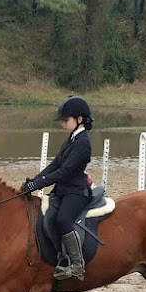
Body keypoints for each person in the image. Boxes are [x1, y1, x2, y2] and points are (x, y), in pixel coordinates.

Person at [22, 96, 94, 281]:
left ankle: (78, 265)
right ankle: (61, 259)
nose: (63, 124)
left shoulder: (82, 143)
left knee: (63, 219)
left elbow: (65, 171)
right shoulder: (71, 139)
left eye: (65, 120)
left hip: (76, 191)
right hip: (62, 190)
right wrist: (34, 181)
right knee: (48, 218)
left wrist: (38, 184)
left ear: (79, 119)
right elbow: (55, 165)